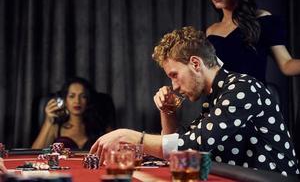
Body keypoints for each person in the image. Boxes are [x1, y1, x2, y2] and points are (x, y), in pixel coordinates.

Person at [90, 26, 299, 176]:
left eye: (174, 75)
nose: (174, 86)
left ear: (196, 64)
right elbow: (180, 150)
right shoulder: (216, 95)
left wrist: (132, 137)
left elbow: (195, 145)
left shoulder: (242, 88)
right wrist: (168, 112)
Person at [206, 0, 300, 83]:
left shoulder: (262, 20)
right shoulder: (211, 31)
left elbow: (286, 64)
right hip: (222, 96)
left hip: (254, 96)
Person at [32, 77, 115, 150]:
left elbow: (118, 149)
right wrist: (49, 121)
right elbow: (33, 154)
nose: (77, 101)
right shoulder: (56, 127)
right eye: (72, 96)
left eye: (83, 96)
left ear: (88, 100)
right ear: (65, 100)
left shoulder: (101, 126)